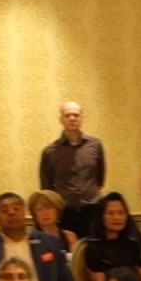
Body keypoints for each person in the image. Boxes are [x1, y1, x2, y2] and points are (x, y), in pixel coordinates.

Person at [40, 101, 106, 236]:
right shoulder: (50, 152)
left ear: (82, 118)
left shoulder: (95, 145)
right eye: (67, 115)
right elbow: (47, 187)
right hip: (65, 213)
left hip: (93, 210)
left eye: (76, 115)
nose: (72, 118)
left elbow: (100, 177)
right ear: (61, 119)